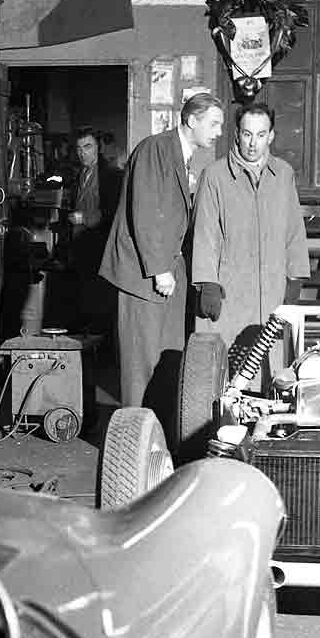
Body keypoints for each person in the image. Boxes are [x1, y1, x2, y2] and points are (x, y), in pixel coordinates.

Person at [98, 93, 225, 425]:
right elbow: (144, 211)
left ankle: (159, 435)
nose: (219, 132)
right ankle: (133, 437)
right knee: (140, 367)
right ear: (192, 120)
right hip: (145, 276)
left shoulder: (181, 155)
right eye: (214, 124)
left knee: (166, 360)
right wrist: (159, 269)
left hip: (166, 274)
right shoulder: (156, 149)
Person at [190, 101, 309, 370]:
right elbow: (205, 233)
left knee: (271, 368)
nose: (253, 143)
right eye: (247, 134)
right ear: (237, 134)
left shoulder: (284, 174)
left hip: (273, 292)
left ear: (271, 136)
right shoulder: (215, 176)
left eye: (261, 134)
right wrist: (207, 283)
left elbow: (294, 231)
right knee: (224, 370)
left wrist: (296, 278)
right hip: (230, 292)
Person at [67, 126, 121, 335]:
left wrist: (85, 218)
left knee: (100, 298)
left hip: (100, 244)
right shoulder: (81, 174)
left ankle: (101, 340)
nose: (83, 153)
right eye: (79, 148)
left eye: (88, 147)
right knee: (85, 295)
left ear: (98, 147)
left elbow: (112, 211)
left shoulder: (111, 175)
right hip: (82, 245)